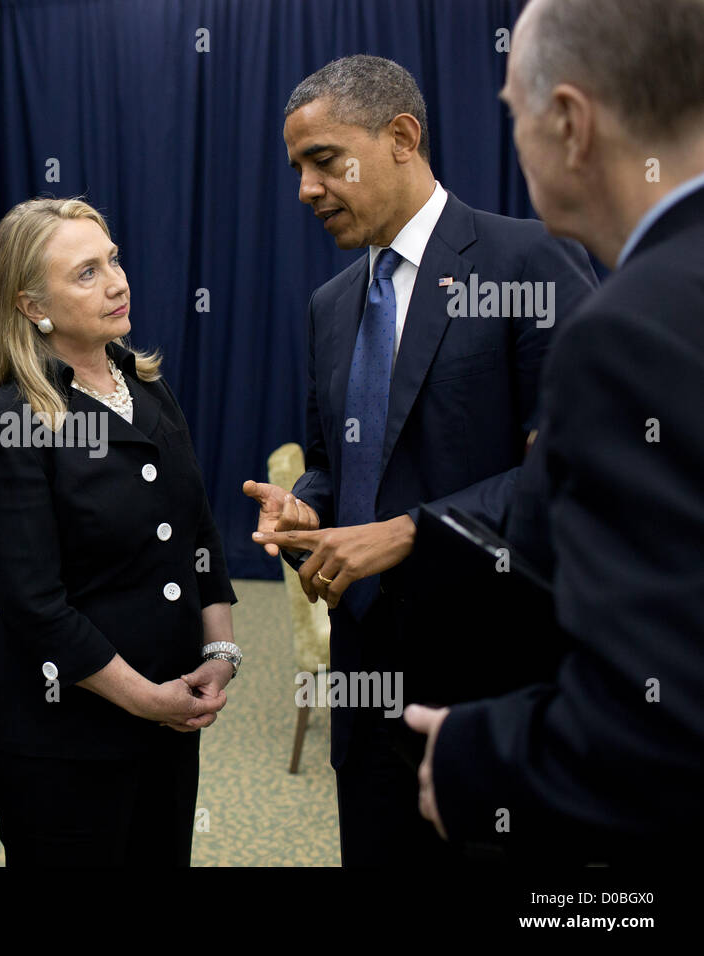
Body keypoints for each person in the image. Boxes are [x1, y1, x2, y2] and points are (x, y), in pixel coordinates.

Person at [245, 55, 597, 866]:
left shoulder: (527, 261)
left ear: (401, 137)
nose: (304, 189)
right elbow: (336, 462)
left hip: (495, 680)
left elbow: (574, 469)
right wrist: (308, 505)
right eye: (296, 168)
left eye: (325, 161)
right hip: (364, 685)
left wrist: (413, 531)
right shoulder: (329, 306)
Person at [405, 0, 704, 859]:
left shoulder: (629, 333)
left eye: (515, 114)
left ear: (569, 123)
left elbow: (657, 728)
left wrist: (474, 763)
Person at [0, 198, 238, 867]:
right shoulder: (6, 423)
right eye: (86, 273)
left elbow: (197, 530)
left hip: (171, 720)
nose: (117, 281)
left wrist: (221, 650)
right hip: (64, 739)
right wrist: (147, 700)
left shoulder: (146, 388)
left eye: (112, 259)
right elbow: (34, 605)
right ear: (32, 306)